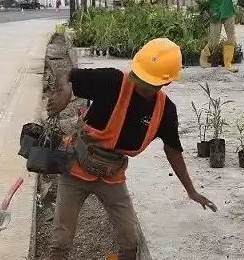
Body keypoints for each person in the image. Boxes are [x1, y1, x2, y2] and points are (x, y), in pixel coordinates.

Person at [45, 38, 217, 260]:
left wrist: (191, 191)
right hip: (76, 168)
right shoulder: (113, 81)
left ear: (165, 83)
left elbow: (173, 150)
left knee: (130, 242)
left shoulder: (165, 111)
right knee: (60, 242)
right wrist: (65, 90)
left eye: (149, 83)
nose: (142, 85)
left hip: (112, 177)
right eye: (140, 78)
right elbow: (67, 74)